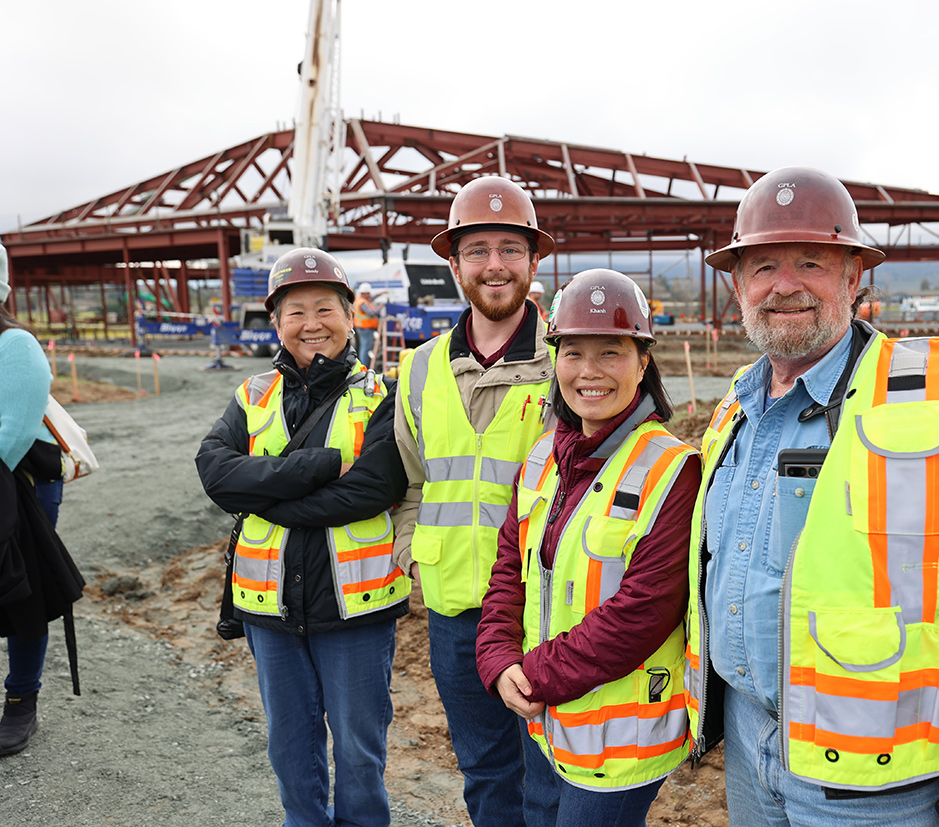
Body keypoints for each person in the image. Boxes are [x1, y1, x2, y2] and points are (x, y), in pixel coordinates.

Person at [685, 167, 939, 827]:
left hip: (875, 791)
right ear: (737, 283)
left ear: (855, 277)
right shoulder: (733, 411)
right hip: (750, 755)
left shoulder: (938, 400)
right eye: (764, 265)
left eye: (812, 262)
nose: (785, 284)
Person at [476, 270, 701, 826]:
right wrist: (499, 658)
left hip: (618, 738)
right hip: (545, 719)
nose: (589, 372)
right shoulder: (541, 460)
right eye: (573, 352)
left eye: (611, 352)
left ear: (643, 362)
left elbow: (644, 611)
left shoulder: (672, 470)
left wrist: (533, 676)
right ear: (554, 360)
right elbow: (510, 569)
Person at [196, 247, 410, 827]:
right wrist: (321, 465)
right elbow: (215, 473)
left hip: (356, 609)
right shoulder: (252, 395)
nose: (311, 323)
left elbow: (371, 490)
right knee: (290, 749)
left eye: (325, 308)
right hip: (269, 607)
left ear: (351, 314)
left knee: (360, 755)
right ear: (276, 322)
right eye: (296, 312)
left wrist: (265, 497)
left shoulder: (385, 396)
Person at [393, 176, 561, 827]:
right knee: (487, 775)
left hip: (545, 615)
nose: (495, 264)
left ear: (533, 261)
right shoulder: (418, 369)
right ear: (455, 263)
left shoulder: (567, 362)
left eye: (511, 249)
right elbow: (410, 484)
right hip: (455, 615)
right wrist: (414, 556)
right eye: (478, 249)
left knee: (549, 780)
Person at [0, 242, 83, 757]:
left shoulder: (16, 345)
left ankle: (20, 701)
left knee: (21, 591)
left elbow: (12, 431)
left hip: (21, 485)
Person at [354, 282, 380, 367]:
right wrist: (380, 308)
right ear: (364, 293)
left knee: (364, 347)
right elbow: (371, 313)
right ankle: (364, 366)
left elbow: (372, 298)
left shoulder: (361, 300)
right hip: (365, 328)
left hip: (363, 328)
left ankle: (364, 365)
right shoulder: (363, 303)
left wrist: (381, 293)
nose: (370, 295)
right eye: (368, 293)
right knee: (366, 348)